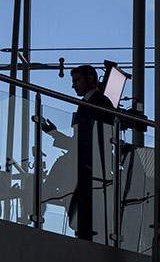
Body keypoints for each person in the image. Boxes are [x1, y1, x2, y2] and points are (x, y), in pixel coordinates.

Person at [42, 65, 114, 240]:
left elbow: (85, 143)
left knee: (86, 221)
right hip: (91, 169)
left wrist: (55, 134)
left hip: (90, 171)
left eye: (76, 81)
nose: (73, 86)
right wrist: (55, 134)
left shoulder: (97, 103)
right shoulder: (97, 102)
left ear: (90, 78)